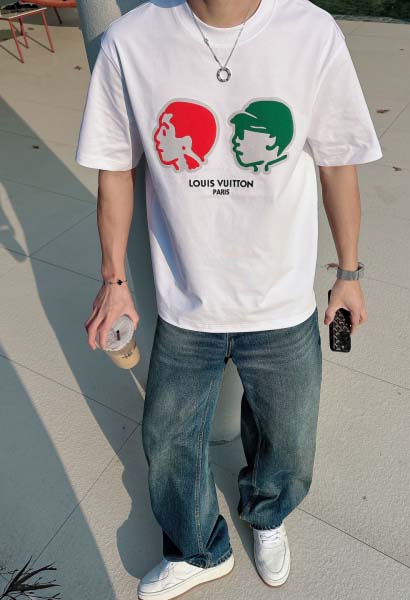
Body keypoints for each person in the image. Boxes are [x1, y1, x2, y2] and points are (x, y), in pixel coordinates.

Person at [76, 0, 382, 598]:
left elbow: (336, 163)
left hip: (282, 300)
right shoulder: (131, 42)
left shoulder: (311, 32)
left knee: (288, 444)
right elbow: (115, 168)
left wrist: (349, 271)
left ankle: (266, 516)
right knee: (168, 443)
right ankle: (199, 549)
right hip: (186, 301)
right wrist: (114, 281)